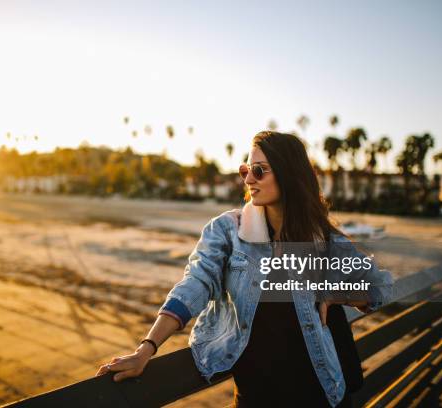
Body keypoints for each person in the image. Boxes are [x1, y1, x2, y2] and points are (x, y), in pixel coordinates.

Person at [96, 131, 393, 407]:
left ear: (289, 174)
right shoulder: (228, 230)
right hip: (258, 395)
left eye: (259, 170)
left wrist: (335, 295)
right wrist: (147, 347)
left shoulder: (321, 238)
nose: (249, 178)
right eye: (245, 170)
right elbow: (196, 283)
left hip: (322, 391)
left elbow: (379, 286)